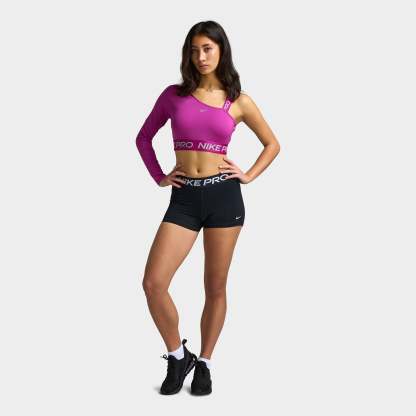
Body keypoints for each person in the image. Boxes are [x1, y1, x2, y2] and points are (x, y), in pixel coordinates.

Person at [135, 20, 280, 395]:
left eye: (207, 49)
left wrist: (248, 175)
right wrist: (159, 176)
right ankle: (177, 355)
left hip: (223, 198)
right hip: (184, 199)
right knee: (153, 283)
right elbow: (143, 138)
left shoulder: (238, 100)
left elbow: (272, 144)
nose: (200, 56)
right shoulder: (173, 95)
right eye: (194, 50)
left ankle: (205, 363)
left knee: (215, 286)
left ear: (221, 51)